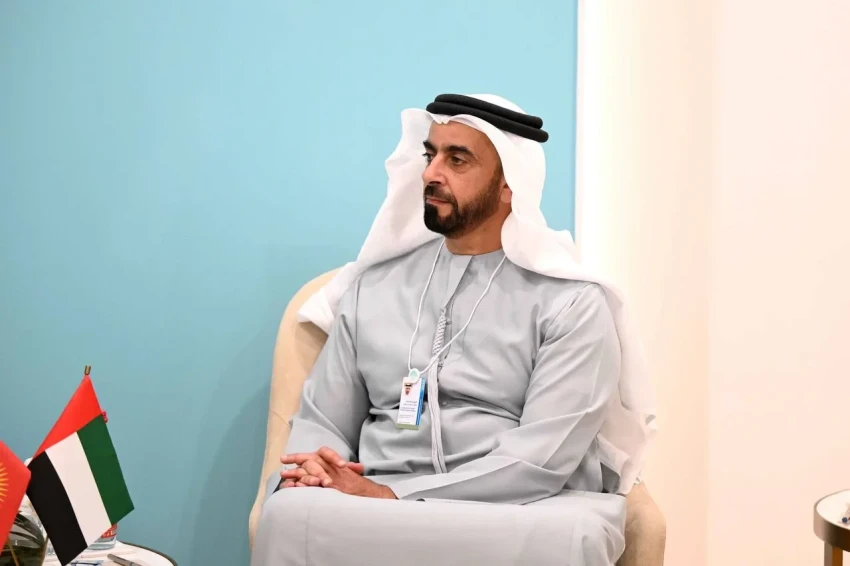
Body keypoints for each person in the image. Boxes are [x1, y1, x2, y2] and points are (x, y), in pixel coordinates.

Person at [250, 94, 656, 566]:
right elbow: (323, 419)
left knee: (570, 536)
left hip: (518, 507)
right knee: (290, 513)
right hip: (375, 500)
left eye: (457, 159)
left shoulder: (571, 303)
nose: (430, 173)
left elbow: (539, 460)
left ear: (509, 185)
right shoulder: (373, 289)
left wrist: (393, 497)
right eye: (430, 154)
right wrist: (317, 470)